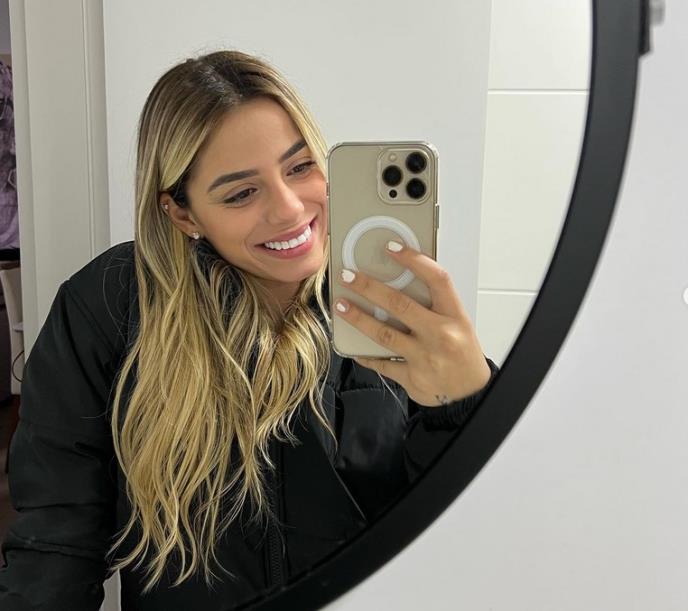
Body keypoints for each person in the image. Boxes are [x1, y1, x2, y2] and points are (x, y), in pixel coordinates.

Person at [0, 50, 498, 610]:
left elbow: (470, 532)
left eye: (300, 167)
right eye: (241, 193)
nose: (289, 210)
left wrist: (466, 404)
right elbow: (56, 540)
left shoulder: (387, 299)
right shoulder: (110, 304)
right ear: (183, 214)